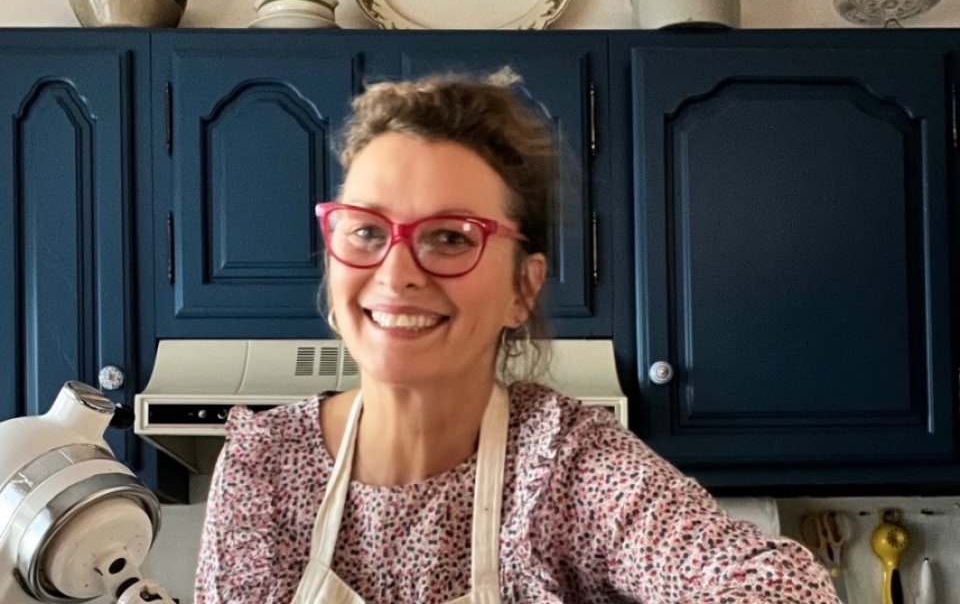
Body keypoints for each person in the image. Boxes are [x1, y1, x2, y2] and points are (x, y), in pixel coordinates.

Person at [195, 69, 841, 604]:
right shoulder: (263, 470)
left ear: (522, 289)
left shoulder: (563, 466)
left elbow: (779, 587)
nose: (395, 274)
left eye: (450, 238)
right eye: (366, 231)